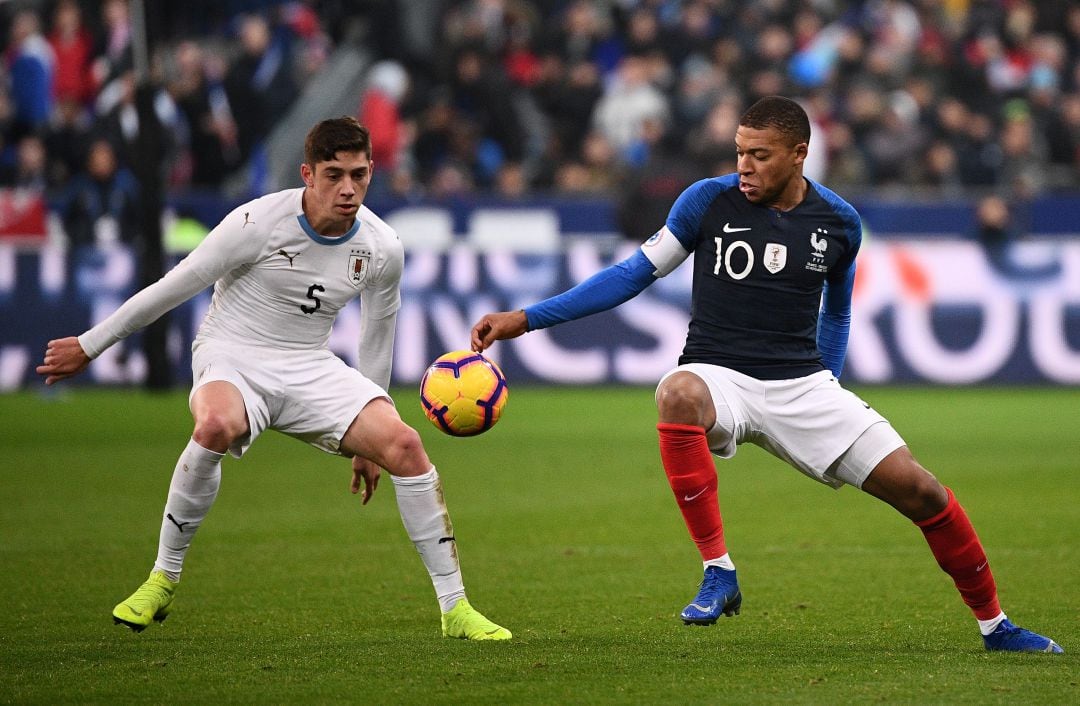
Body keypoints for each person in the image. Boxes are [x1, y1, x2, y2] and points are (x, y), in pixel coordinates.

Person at [470, 96, 1062, 654]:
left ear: (799, 153)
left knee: (923, 490)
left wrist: (828, 382)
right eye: (738, 153)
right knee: (677, 394)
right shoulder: (706, 201)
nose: (744, 167)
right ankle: (717, 571)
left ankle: (996, 625)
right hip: (717, 374)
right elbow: (632, 274)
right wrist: (526, 319)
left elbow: (837, 312)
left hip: (801, 385)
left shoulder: (839, 223)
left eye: (759, 155)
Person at [38, 117, 510, 641]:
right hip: (233, 352)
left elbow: (378, 336)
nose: (348, 188)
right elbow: (173, 287)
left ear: (373, 170)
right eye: (334, 175)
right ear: (308, 174)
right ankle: (161, 578)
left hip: (310, 363)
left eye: (359, 174)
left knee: (404, 444)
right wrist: (90, 344)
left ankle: (456, 609)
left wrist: (368, 443)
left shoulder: (381, 247)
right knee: (215, 425)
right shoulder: (255, 223)